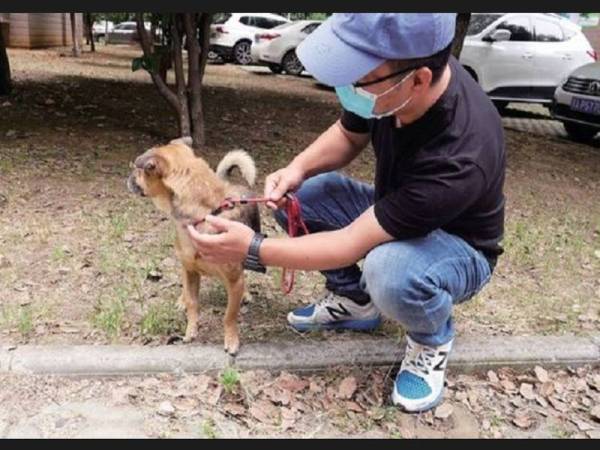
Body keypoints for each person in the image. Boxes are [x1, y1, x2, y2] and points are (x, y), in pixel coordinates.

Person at [187, 13, 506, 412]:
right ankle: (355, 301)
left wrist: (251, 248)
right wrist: (297, 168)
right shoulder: (398, 76)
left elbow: (348, 243)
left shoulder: (461, 154)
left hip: (459, 248)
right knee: (304, 197)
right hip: (398, 208)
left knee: (390, 270)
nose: (346, 87)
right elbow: (348, 134)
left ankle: (432, 339)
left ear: (419, 80)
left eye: (358, 78)